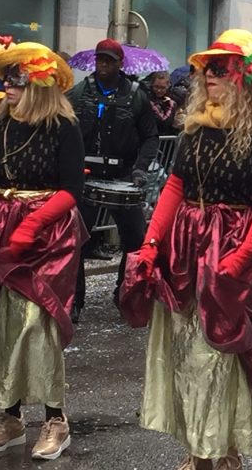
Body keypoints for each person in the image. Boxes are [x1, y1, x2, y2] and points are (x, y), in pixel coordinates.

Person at [119, 29, 252, 469]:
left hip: (233, 241)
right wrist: (151, 243)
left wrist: (240, 258)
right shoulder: (196, 124)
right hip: (185, 244)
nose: (210, 75)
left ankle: (223, 448)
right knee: (186, 349)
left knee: (220, 354)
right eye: (207, 68)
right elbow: (175, 189)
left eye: (222, 68)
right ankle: (199, 446)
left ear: (245, 76)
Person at [0, 43, 85, 460]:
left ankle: (56, 420)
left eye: (18, 80)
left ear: (40, 84)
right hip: (0, 226)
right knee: (2, 322)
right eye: (6, 80)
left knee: (37, 324)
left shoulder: (63, 127)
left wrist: (32, 225)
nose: (9, 87)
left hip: (48, 233)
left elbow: (71, 190)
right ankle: (10, 417)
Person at [67, 38, 158, 322]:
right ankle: (75, 301)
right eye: (99, 60)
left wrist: (140, 169)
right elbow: (65, 133)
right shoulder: (79, 92)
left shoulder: (137, 95)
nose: (102, 65)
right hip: (85, 176)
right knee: (76, 242)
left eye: (108, 61)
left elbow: (151, 137)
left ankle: (125, 295)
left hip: (124, 177)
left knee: (135, 240)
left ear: (120, 64)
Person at [143, 70, 180, 135]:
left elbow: (166, 124)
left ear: (168, 86)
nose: (159, 90)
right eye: (156, 86)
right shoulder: (145, 98)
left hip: (166, 138)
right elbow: (162, 123)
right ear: (151, 85)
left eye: (163, 88)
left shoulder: (172, 100)